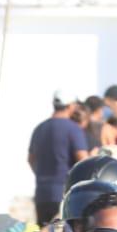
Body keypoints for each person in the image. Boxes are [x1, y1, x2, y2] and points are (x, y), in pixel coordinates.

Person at [28, 93, 89, 224]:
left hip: (42, 195)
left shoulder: (40, 128)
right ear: (70, 105)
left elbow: (31, 159)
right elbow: (83, 161)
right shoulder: (73, 129)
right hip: (65, 196)